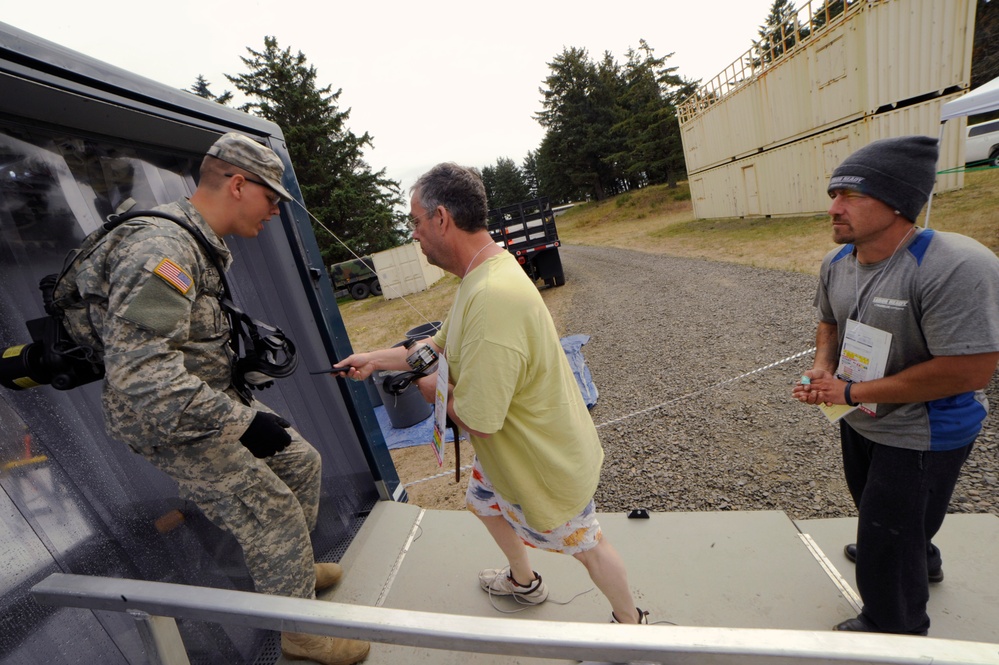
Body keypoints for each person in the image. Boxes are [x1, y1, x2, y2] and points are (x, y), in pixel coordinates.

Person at [56, 133, 369, 665]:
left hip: (207, 397)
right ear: (239, 184)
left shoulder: (193, 244)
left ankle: (289, 572)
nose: (274, 212)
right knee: (271, 512)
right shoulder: (163, 249)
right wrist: (243, 424)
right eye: (272, 199)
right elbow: (141, 373)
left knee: (301, 462)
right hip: (166, 417)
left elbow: (179, 339)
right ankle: (300, 634)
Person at [334, 163, 647, 624]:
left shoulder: (493, 296)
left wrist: (429, 385)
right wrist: (376, 359)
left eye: (416, 223)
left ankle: (633, 627)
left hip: (544, 461)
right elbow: (436, 345)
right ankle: (524, 582)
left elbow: (478, 418)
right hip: (506, 458)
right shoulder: (481, 275)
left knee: (589, 547)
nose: (415, 235)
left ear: (441, 218)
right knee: (482, 502)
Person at [792, 135, 999, 636]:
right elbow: (829, 322)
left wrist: (851, 393)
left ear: (899, 202)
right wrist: (825, 367)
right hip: (860, 414)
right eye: (833, 194)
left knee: (887, 536)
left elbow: (971, 370)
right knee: (879, 507)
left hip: (925, 430)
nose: (833, 208)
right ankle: (917, 550)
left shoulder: (956, 266)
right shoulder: (837, 262)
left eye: (851, 196)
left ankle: (895, 629)